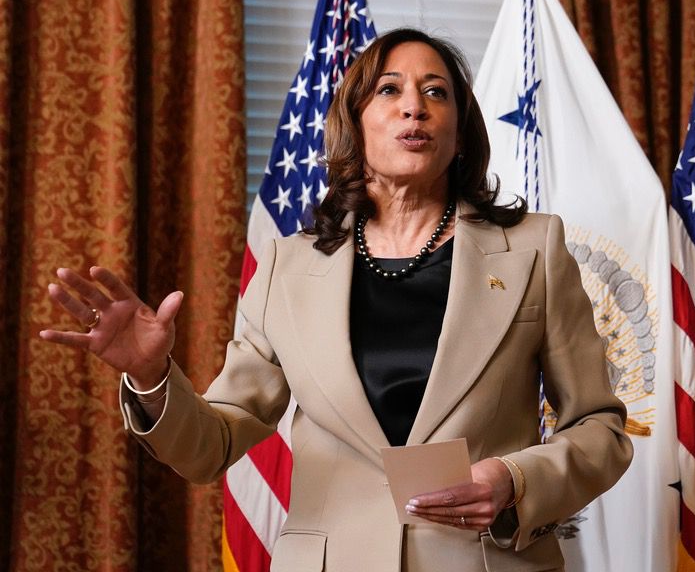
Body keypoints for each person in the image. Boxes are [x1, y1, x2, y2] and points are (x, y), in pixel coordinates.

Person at [40, 28, 632, 572]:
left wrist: (515, 479)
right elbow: (211, 446)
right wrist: (151, 376)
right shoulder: (286, 267)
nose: (414, 107)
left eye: (436, 92)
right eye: (389, 90)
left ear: (460, 133)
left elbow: (599, 427)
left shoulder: (533, 249)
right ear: (354, 123)